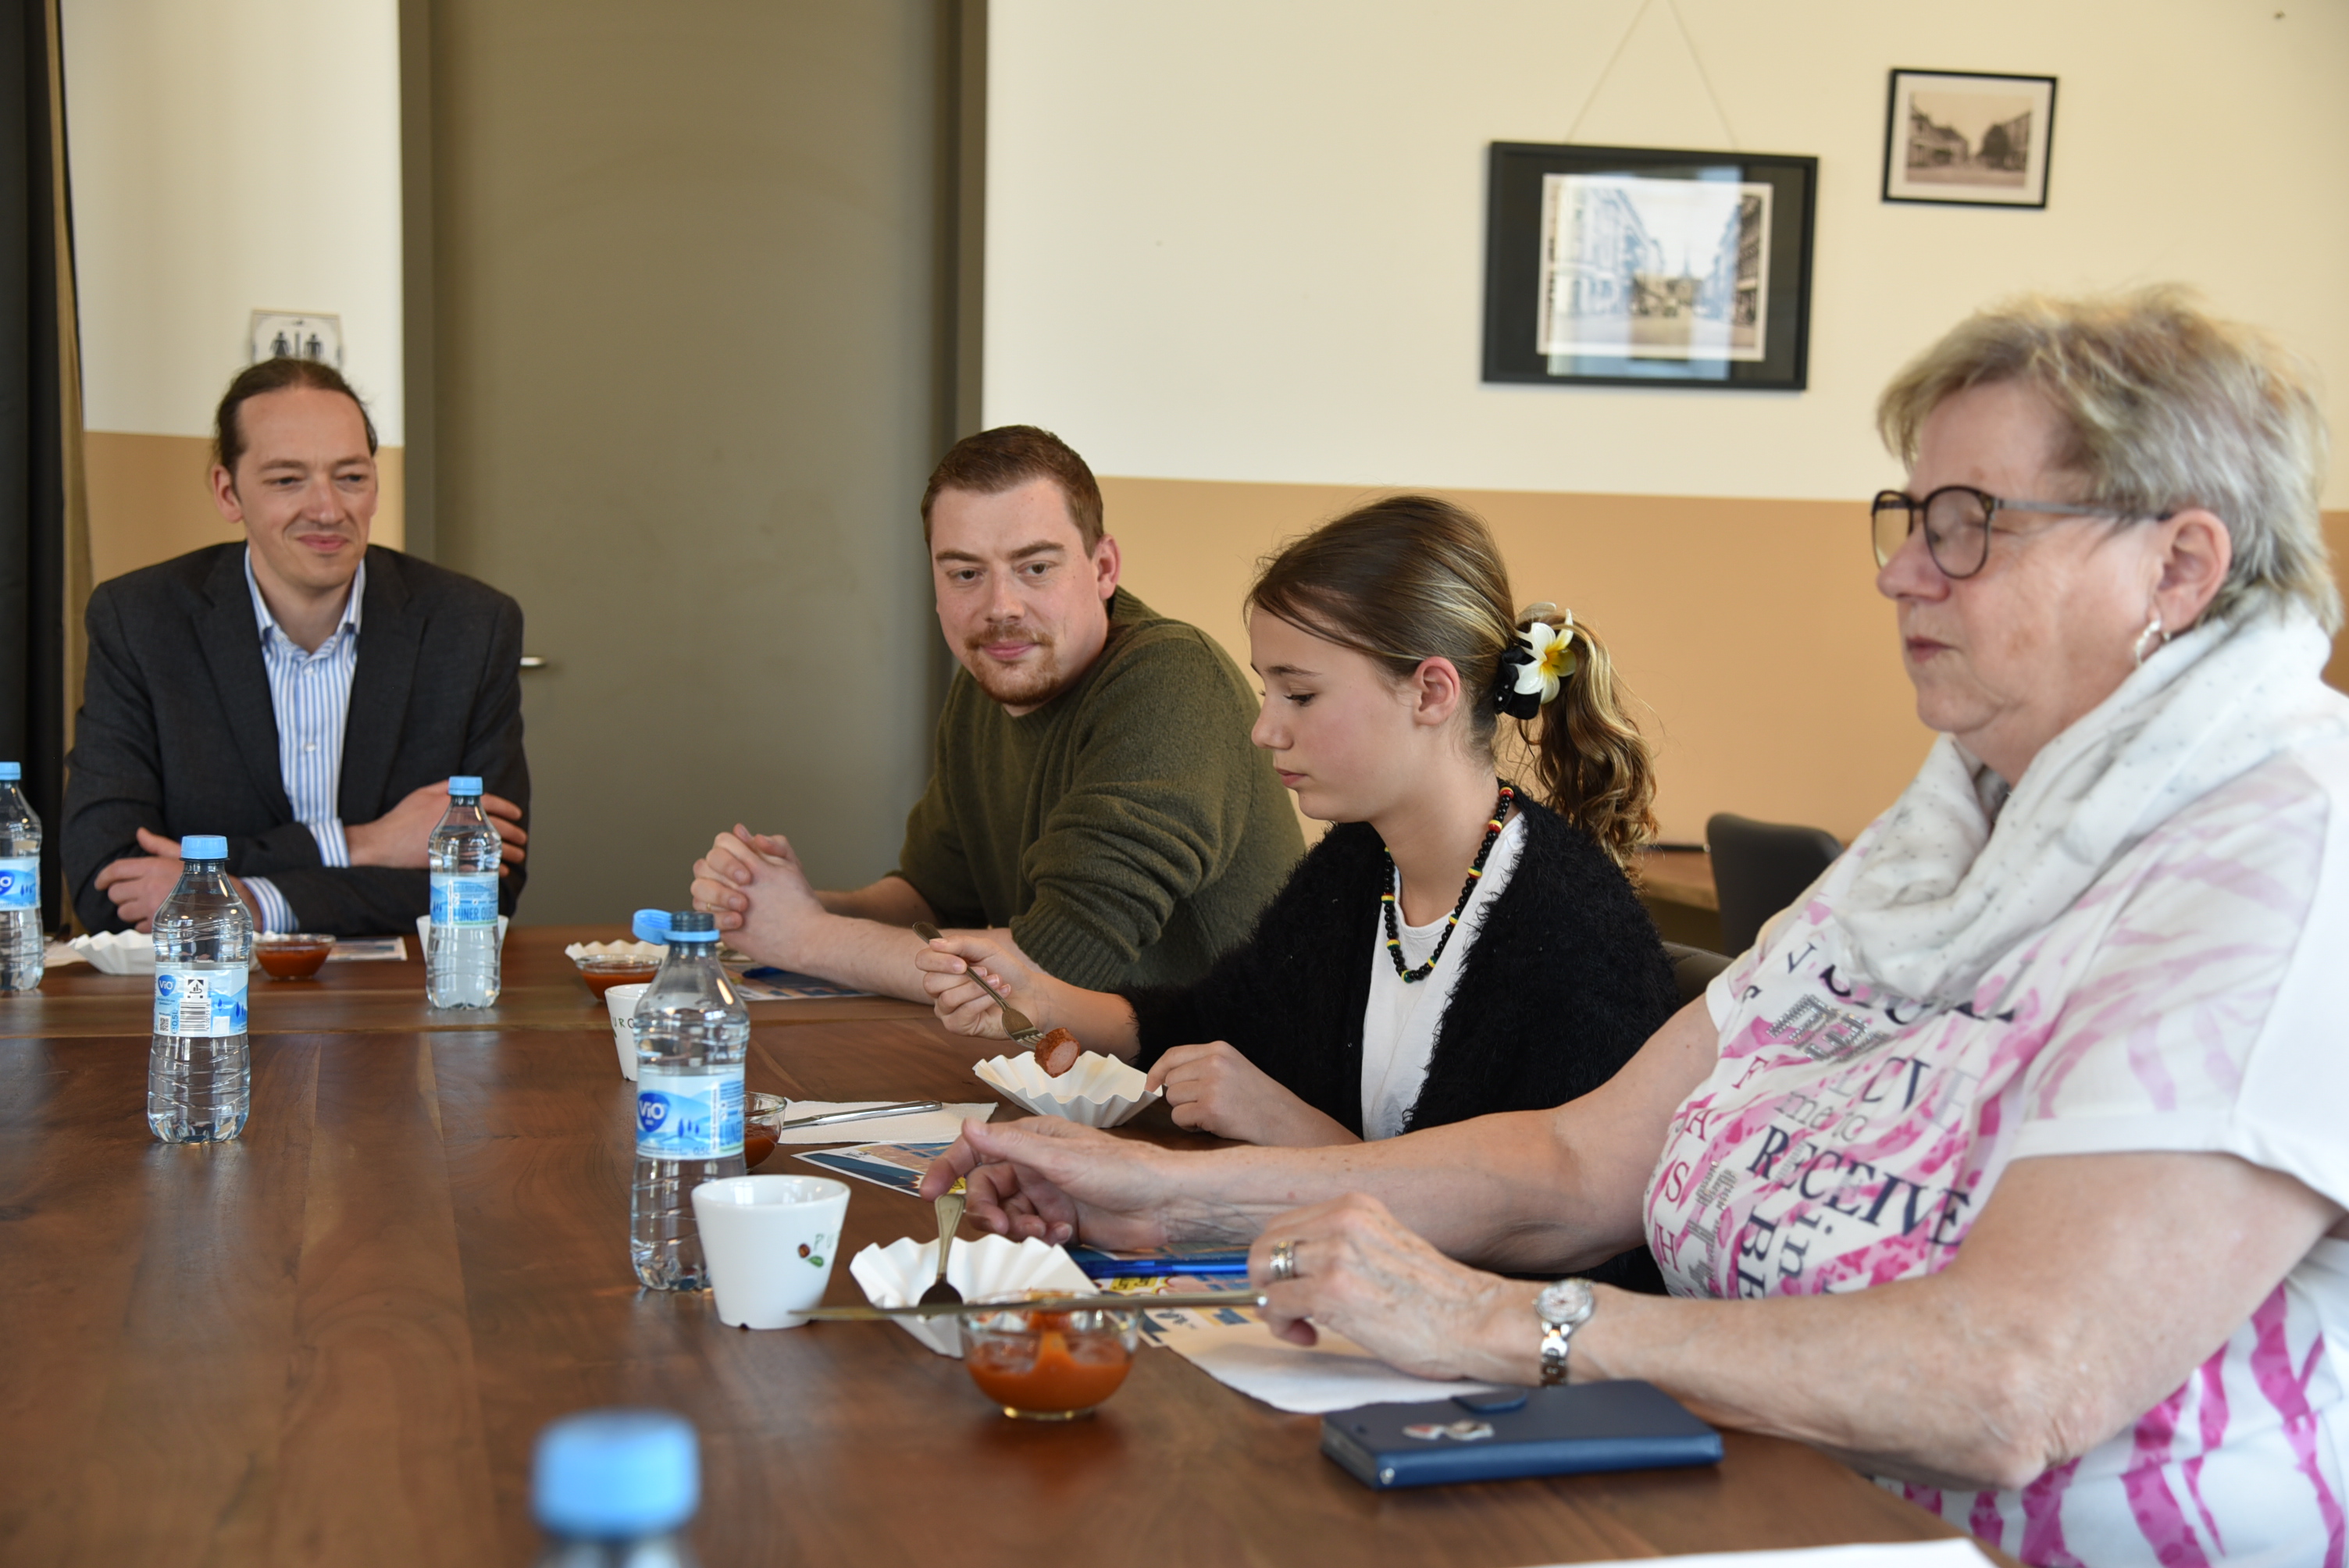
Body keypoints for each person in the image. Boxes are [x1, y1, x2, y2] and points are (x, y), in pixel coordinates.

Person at [922, 290, 2349, 1565]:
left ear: (2176, 566)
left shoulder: (2286, 855)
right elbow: (1575, 1162)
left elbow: (2010, 1378)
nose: (1900, 572)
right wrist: (1155, 1196)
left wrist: (1495, 1322)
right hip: (1744, 1500)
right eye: (1907, 518)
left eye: (1967, 525)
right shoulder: (1941, 837)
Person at [917, 497, 1677, 1171]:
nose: (1264, 729)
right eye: (1266, 689)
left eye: (1300, 695)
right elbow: (1210, 1023)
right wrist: (1042, 999)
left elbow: (1534, 1227)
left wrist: (1291, 1128)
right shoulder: (1357, 865)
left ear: (1430, 692)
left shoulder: (1571, 933)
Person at [690, 426, 1302, 1001]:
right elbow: (934, 901)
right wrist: (792, 906)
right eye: (966, 573)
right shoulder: (985, 685)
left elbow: (1056, 966)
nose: (1000, 607)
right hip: (1079, 1065)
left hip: (1218, 1072)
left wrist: (803, 937)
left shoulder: (1173, 680)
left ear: (1104, 569)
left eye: (1035, 568)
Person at [64, 358, 529, 937]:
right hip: (203, 985)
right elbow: (110, 882)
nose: (328, 510)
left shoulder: (470, 626)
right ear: (228, 493)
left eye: (350, 477)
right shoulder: (140, 620)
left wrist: (253, 901)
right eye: (287, 480)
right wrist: (363, 844)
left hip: (403, 989)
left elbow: (488, 883)